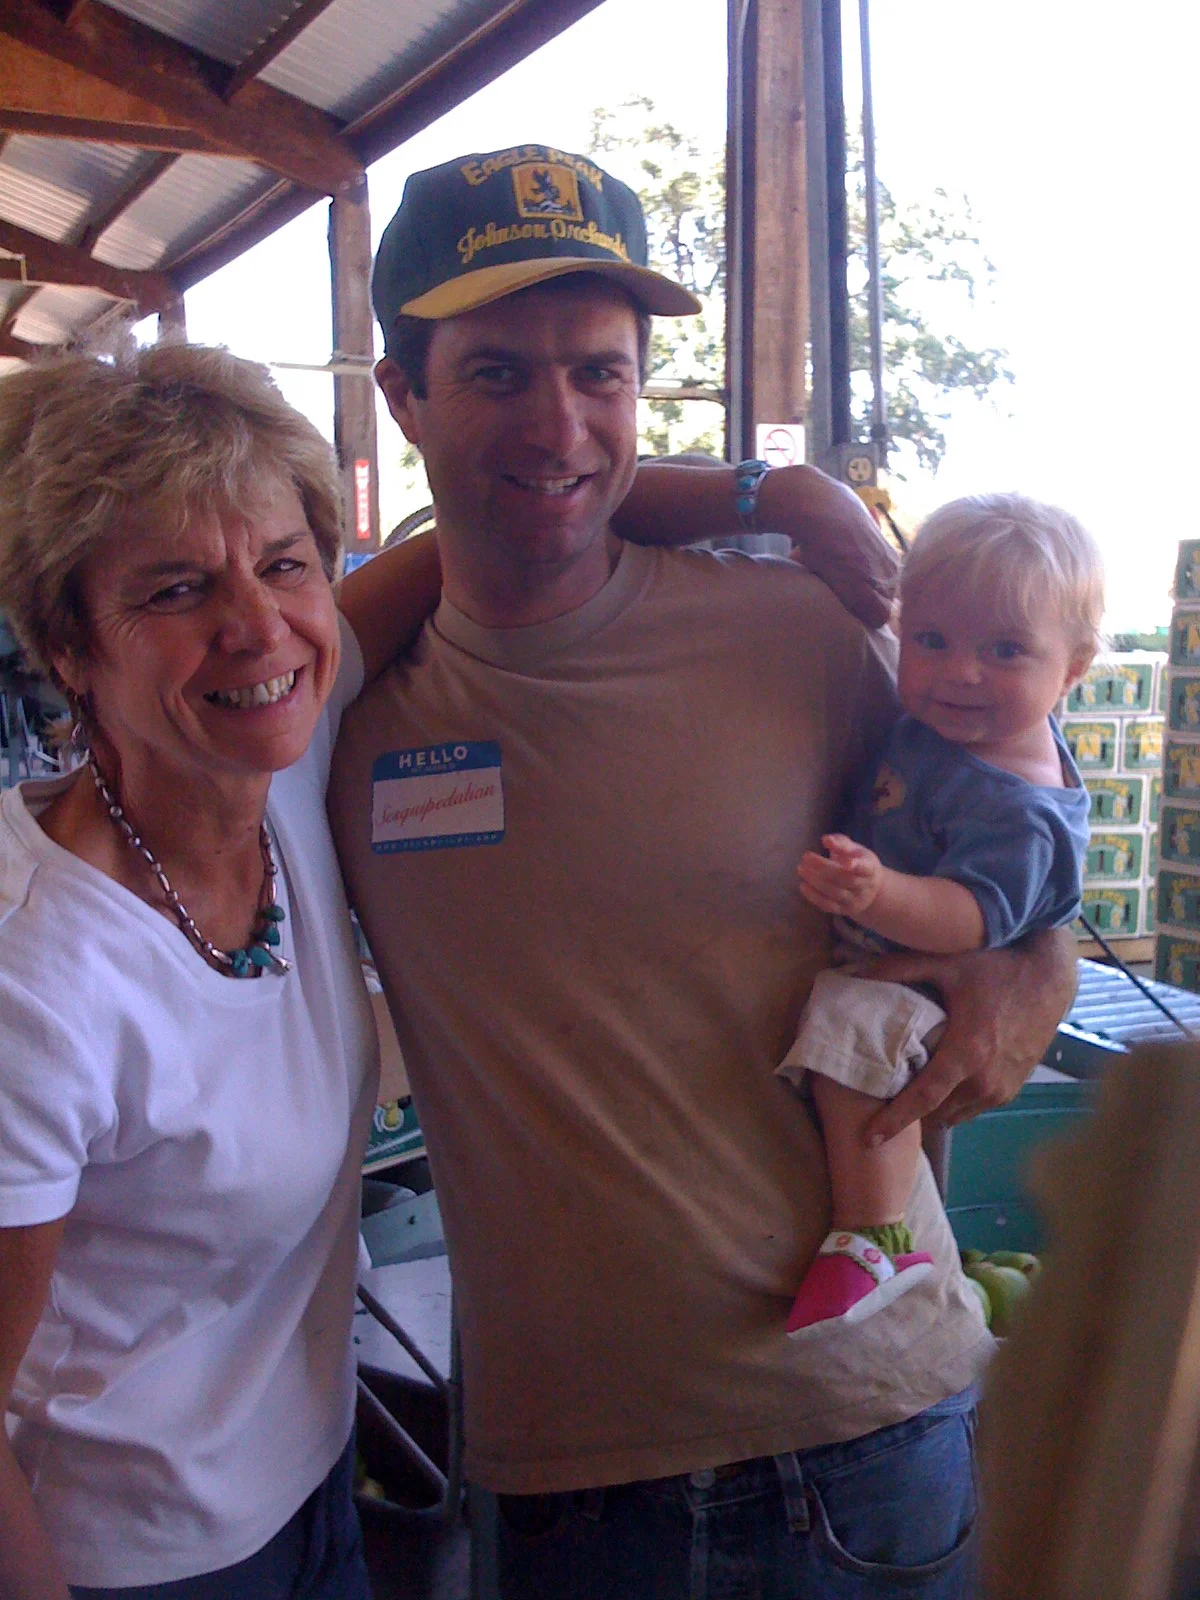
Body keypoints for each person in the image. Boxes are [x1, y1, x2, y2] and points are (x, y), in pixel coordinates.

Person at [0, 340, 890, 1600]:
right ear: (69, 646)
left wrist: (776, 496)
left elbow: (512, 508)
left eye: (284, 564)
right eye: (174, 589)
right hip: (133, 1557)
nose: (254, 624)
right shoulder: (34, 971)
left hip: (317, 1489)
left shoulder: (281, 757)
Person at [328, 144, 1078, 1599]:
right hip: (566, 1480)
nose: (560, 423)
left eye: (600, 374)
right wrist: (761, 479)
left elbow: (1016, 796)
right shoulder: (347, 718)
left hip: (869, 1431)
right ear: (401, 397)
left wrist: (1029, 964)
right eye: (493, 374)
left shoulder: (793, 633)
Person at [779, 493, 1100, 1338]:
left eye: (1004, 651)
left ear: (1072, 670)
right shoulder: (955, 728)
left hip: (925, 969)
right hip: (889, 941)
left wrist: (876, 893)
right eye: (932, 641)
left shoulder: (1018, 803)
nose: (961, 672)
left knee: (857, 1034)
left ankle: (877, 1233)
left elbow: (971, 921)